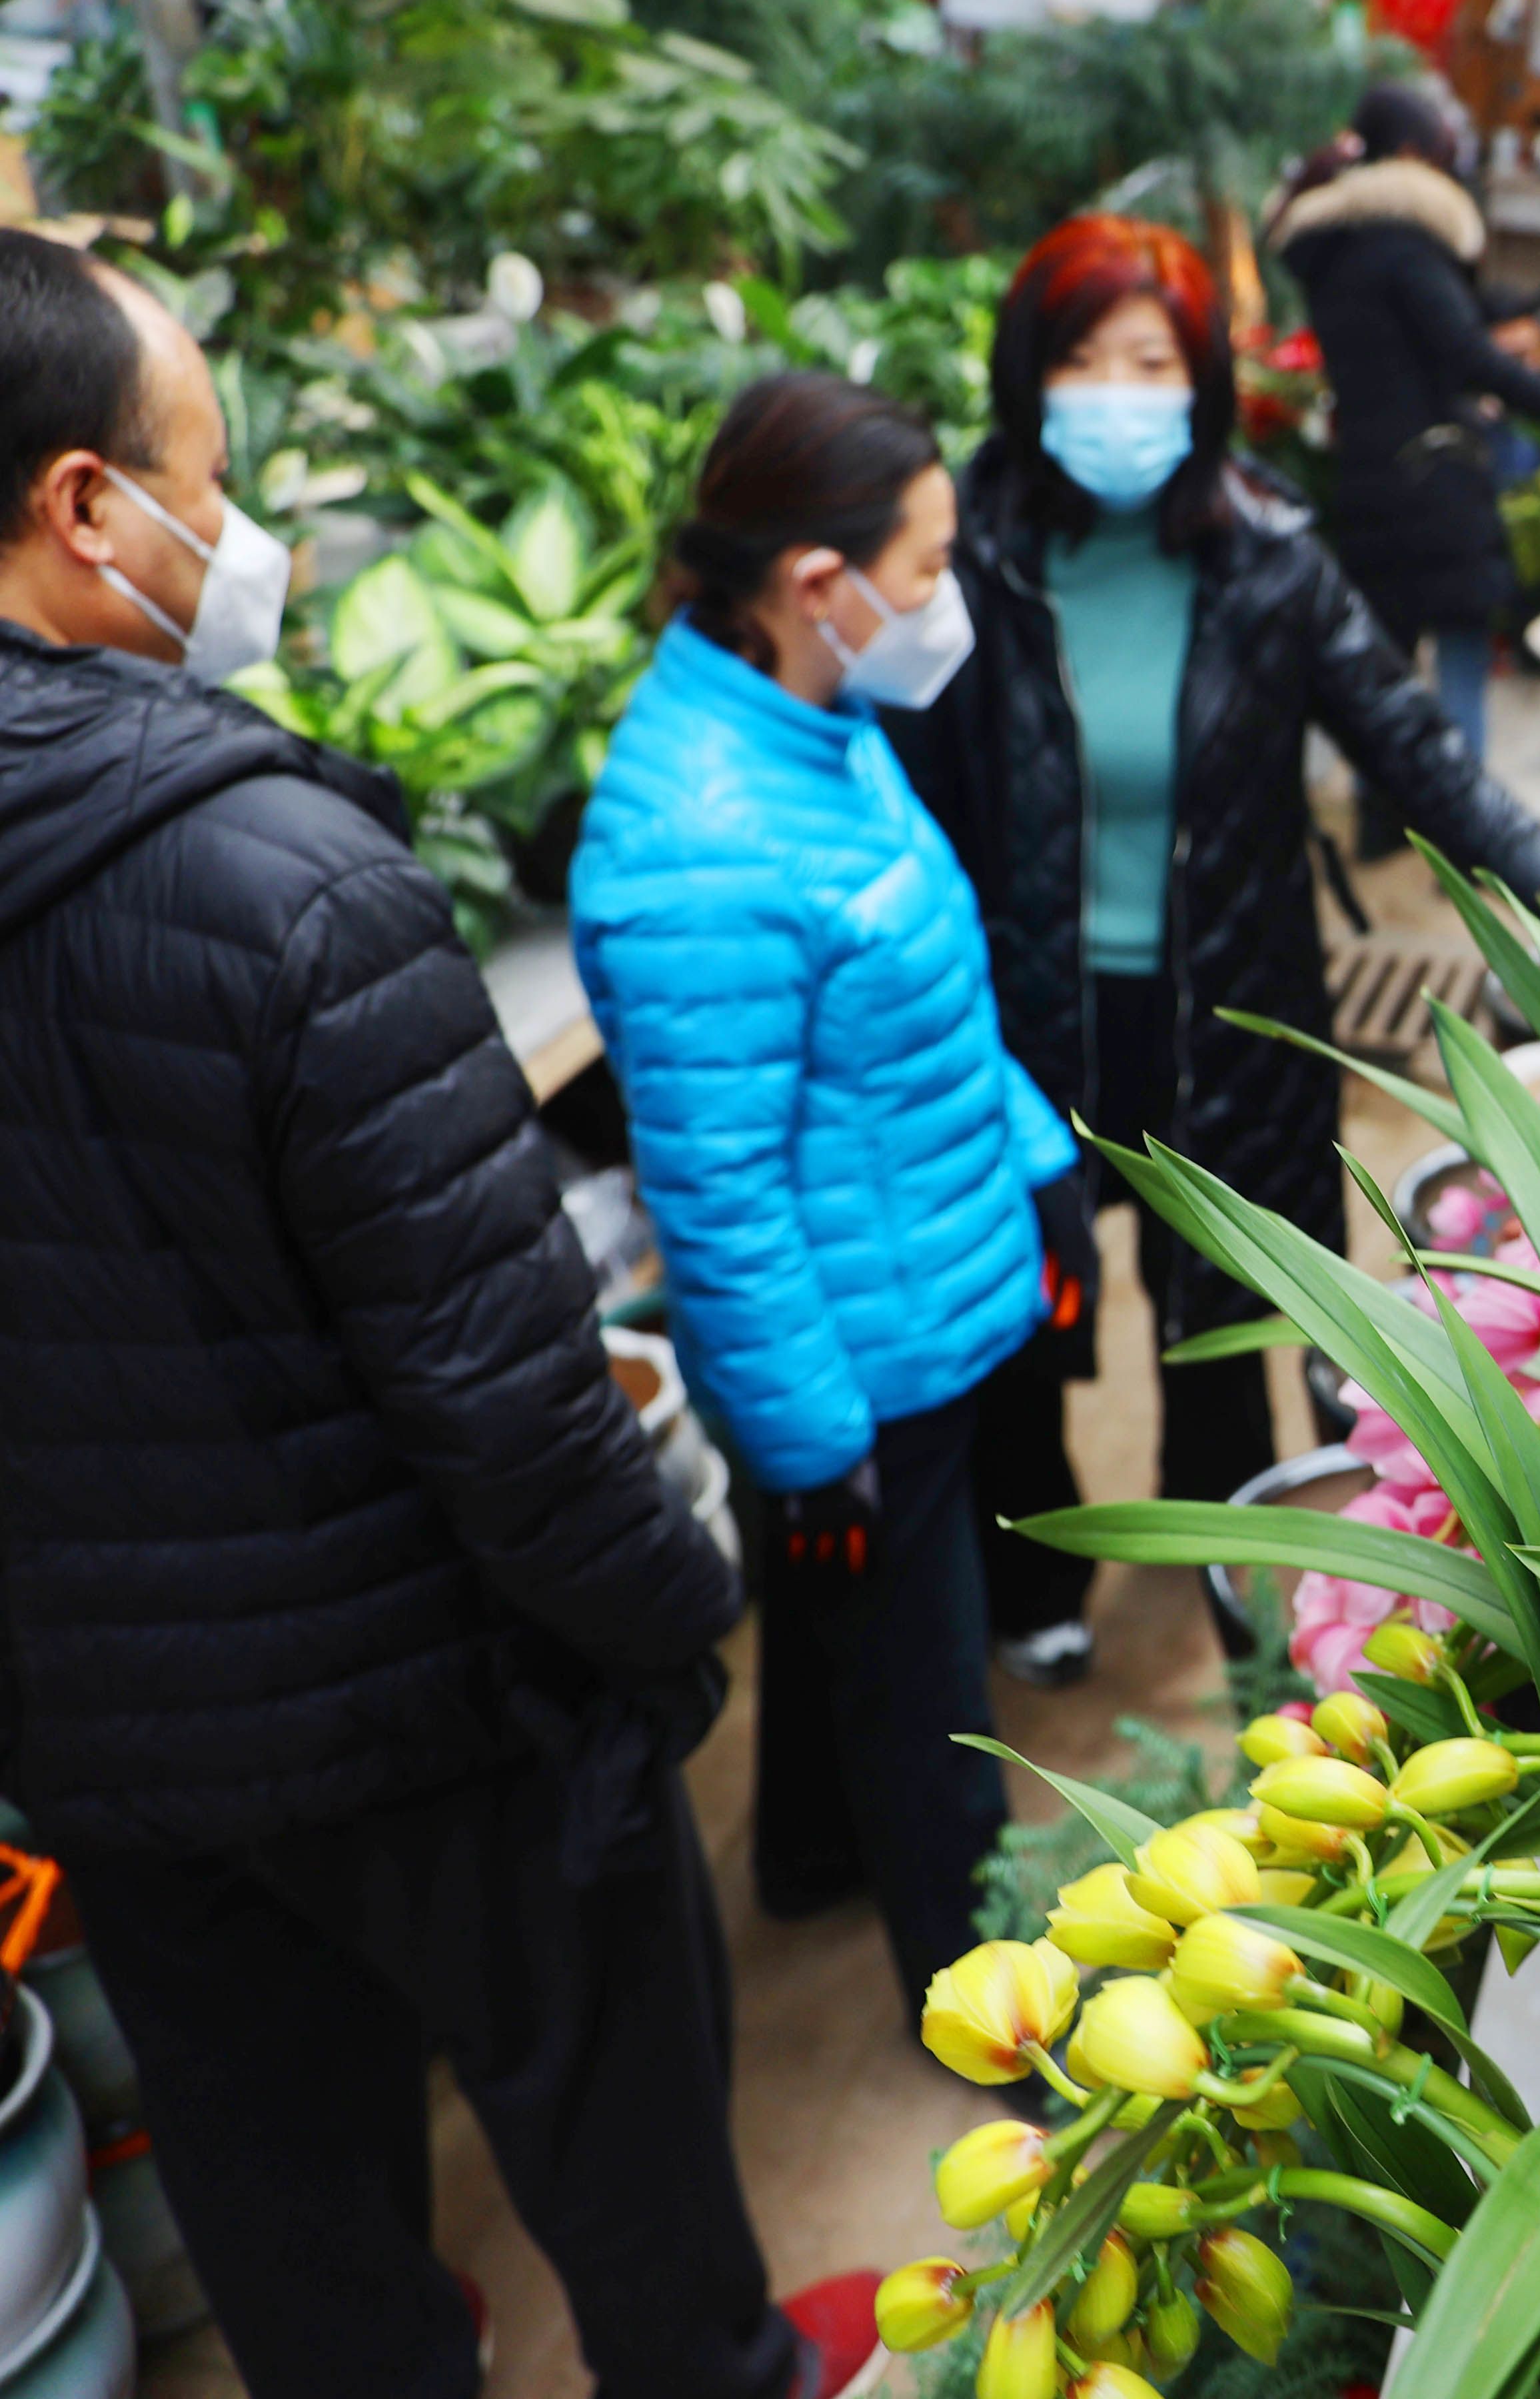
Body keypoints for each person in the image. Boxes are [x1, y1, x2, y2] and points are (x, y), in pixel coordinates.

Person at [0, 233, 880, 2397]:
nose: (245, 526)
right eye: (209, 470)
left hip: (116, 1749)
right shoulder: (285, 882)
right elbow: (511, 1396)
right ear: (85, 509)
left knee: (314, 2272)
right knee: (648, 2221)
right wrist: (672, 1615)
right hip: (439, 1718)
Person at [884, 215, 1540, 1686]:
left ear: (1202, 380)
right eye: (1082, 359)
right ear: (1029, 375)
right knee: (1030, 1307)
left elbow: (1414, 755)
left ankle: (1242, 1586)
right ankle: (1042, 1577)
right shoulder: (975, 558)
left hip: (1232, 1007)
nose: (1117, 392)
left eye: (1149, 360)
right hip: (1025, 1017)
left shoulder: (1267, 557)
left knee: (1223, 1316)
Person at [572, 371, 1081, 2015]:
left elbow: (923, 994)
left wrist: (1035, 1159)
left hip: (912, 1275)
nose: (942, 603)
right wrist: (809, 1438)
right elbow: (712, 1191)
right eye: (924, 570)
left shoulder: (813, 730)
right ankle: (985, 1990)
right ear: (817, 582)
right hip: (861, 1352)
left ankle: (807, 1855)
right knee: (928, 1692)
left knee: (844, 1630)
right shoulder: (701, 844)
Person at [1268, 84, 1540, 768]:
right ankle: (1460, 833)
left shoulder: (1333, 247)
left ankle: (1383, 814)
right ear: (1418, 153)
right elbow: (1465, 352)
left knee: (1381, 672)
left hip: (1364, 470)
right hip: (1434, 475)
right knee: (1459, 655)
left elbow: (1414, 343)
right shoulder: (1406, 244)